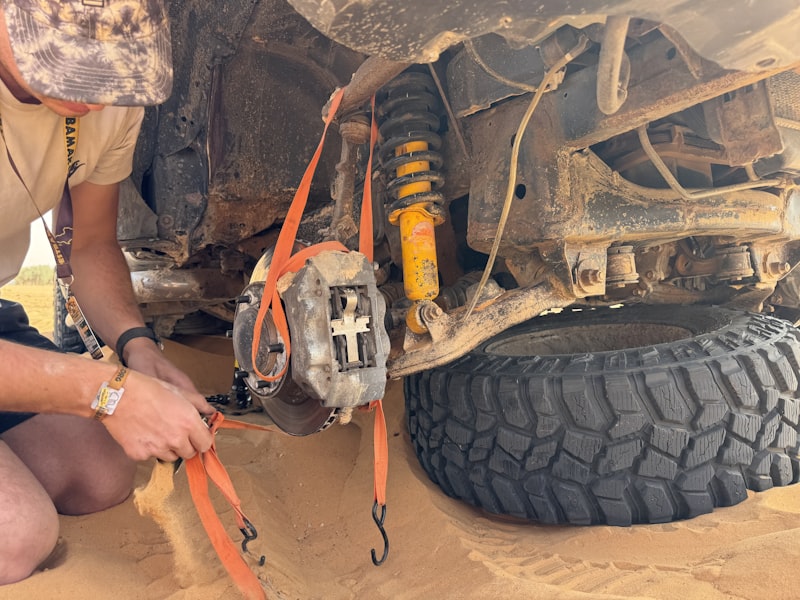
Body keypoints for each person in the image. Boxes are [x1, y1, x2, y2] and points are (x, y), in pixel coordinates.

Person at [0, 0, 215, 585]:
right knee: (18, 537)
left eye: (114, 68)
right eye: (73, 66)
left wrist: (138, 347)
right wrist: (109, 393)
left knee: (100, 474)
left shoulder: (109, 103)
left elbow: (92, 243)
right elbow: (105, 396)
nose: (94, 95)